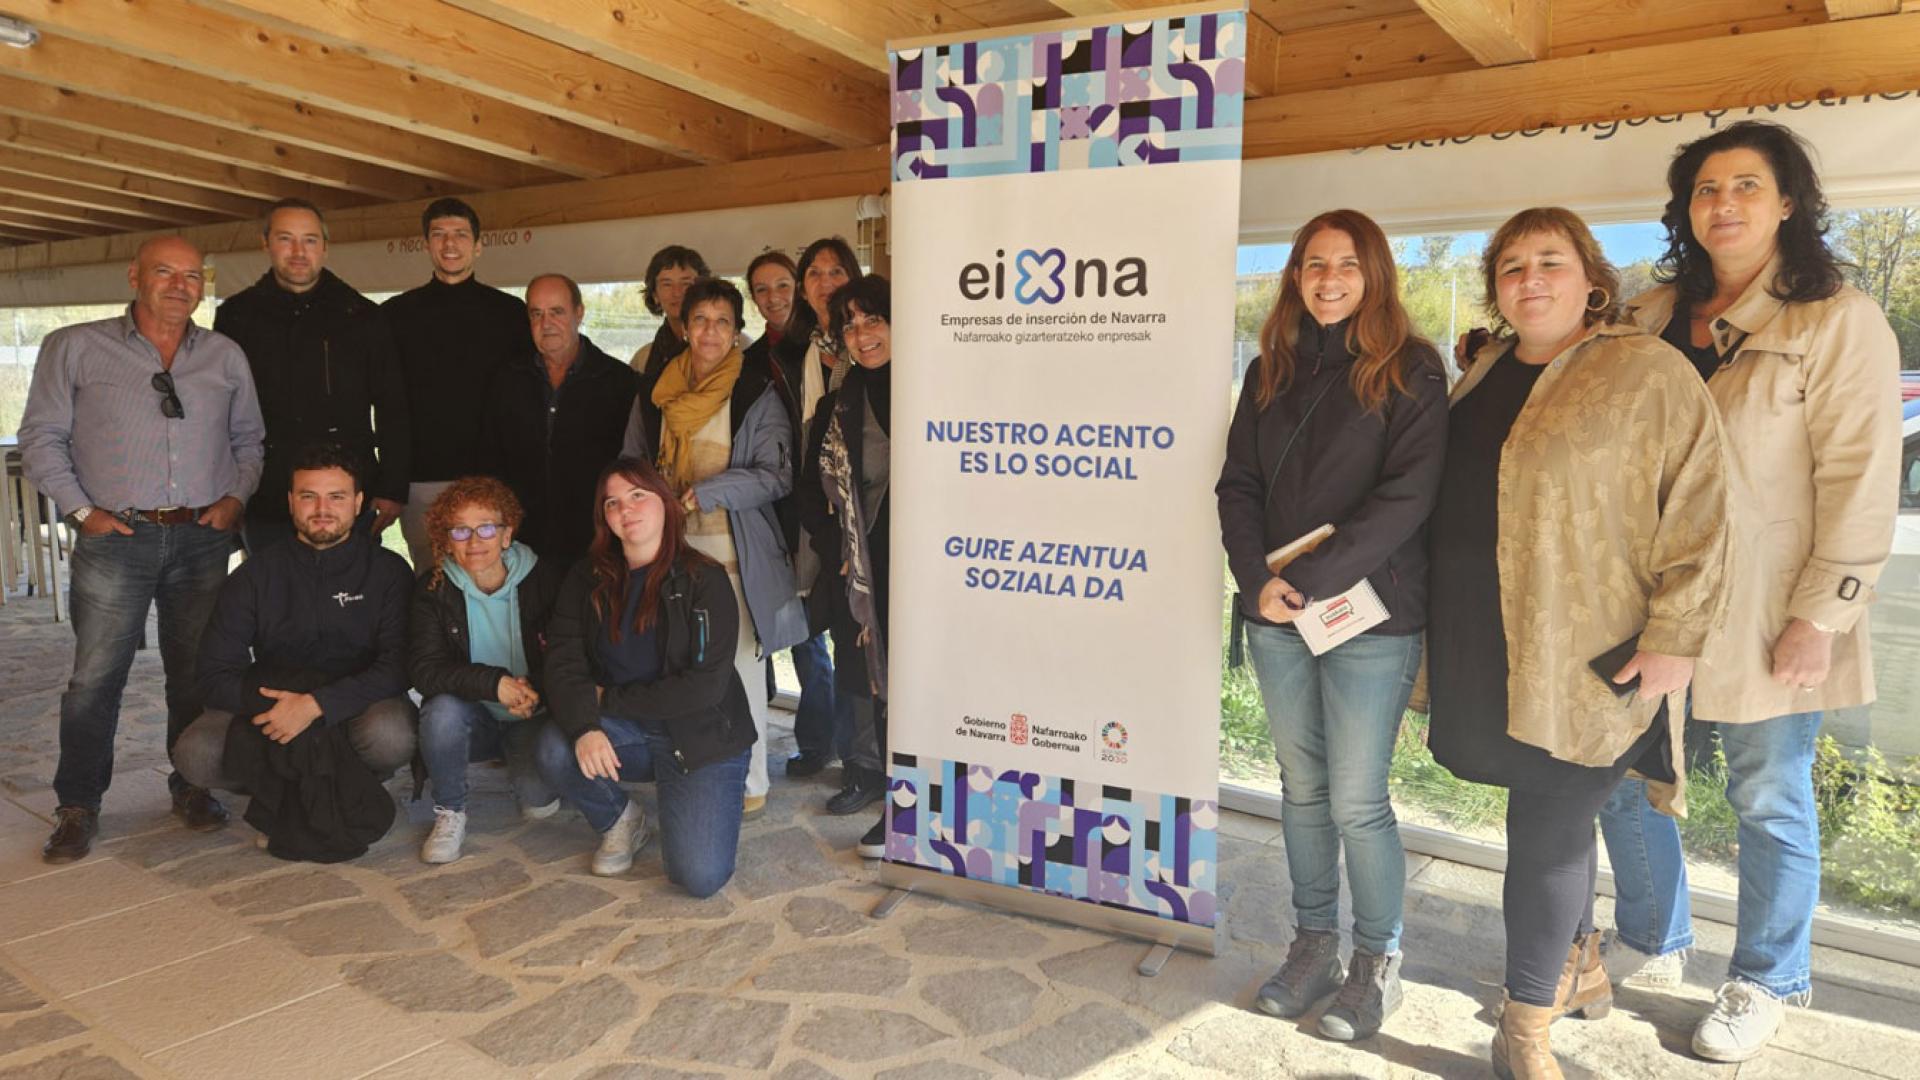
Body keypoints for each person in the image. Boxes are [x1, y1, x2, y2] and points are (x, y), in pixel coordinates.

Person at [1597, 121, 1903, 1064]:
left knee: (1769, 794)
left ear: (1788, 203)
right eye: (1704, 189)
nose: (1721, 203)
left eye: (1744, 186)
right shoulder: (1647, 315)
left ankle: (1768, 977)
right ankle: (1653, 940)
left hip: (1772, 608)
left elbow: (1861, 479)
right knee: (1621, 775)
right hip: (1646, 602)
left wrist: (1824, 616)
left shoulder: (1837, 318)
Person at [1425, 208, 1731, 1080]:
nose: (1530, 279)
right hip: (1480, 636)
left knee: (1550, 827)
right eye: (1512, 266)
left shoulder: (1648, 370)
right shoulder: (1480, 371)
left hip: (1589, 646)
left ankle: (1524, 1028)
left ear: (1592, 278)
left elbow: (1704, 508)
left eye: (1549, 262)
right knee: (1536, 805)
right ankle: (1581, 955)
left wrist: (1678, 634)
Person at [1215, 210, 1448, 1041]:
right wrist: (1257, 582)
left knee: (1355, 799)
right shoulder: (1268, 371)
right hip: (1280, 611)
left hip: (1370, 618)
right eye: (1313, 264)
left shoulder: (1413, 370)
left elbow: (1408, 498)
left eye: (1347, 264)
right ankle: (1314, 944)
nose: (1328, 279)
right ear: (1294, 277)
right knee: (1302, 790)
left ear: (1375, 274)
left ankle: (1376, 961)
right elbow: (1236, 485)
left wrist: (1304, 580)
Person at [19, 236, 265, 862]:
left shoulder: (225, 355)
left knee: (194, 674)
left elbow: (250, 441)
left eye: (192, 274)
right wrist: (82, 512)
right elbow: (42, 437)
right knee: (95, 679)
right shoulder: (75, 346)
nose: (181, 285)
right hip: (116, 538)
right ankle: (78, 805)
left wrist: (235, 501)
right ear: (134, 276)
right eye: (165, 272)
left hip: (202, 538)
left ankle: (192, 784)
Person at [623, 277, 807, 817]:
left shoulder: (756, 390)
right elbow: (630, 461)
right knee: (675, 662)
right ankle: (689, 763)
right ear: (683, 326)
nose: (709, 331)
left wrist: (704, 492)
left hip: (733, 556)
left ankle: (750, 783)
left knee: (740, 669)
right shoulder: (655, 391)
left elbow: (776, 476)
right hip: (666, 554)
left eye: (722, 322)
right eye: (700, 319)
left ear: (736, 332)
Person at [534, 457, 756, 894]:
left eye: (638, 495)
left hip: (702, 739)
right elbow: (563, 660)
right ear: (604, 517)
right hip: (629, 734)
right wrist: (585, 726)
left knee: (698, 878)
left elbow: (704, 686)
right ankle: (621, 820)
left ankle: (702, 794)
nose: (626, 509)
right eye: (612, 502)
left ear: (666, 504)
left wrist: (604, 703)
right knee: (554, 747)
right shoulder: (586, 578)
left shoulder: (703, 578)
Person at [174, 442, 417, 840]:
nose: (322, 509)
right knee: (196, 752)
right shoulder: (255, 575)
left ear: (358, 503)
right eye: (309, 496)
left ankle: (347, 783)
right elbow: (213, 674)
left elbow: (399, 666)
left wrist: (317, 706)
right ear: (291, 502)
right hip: (273, 701)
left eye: (336, 497)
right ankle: (285, 786)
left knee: (391, 734)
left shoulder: (389, 572)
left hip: (357, 703)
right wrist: (285, 709)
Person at [213, 198, 409, 552]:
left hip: (348, 491)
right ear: (266, 243)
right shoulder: (237, 317)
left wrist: (393, 488)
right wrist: (231, 492)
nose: (298, 251)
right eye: (286, 239)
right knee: (271, 598)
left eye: (310, 240)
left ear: (325, 248)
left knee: (348, 598)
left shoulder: (362, 315)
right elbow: (220, 410)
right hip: (265, 491)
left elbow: (392, 405)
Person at [409, 476, 564, 863]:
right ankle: (450, 810)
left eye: (487, 528)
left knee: (538, 805)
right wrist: (494, 684)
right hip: (472, 715)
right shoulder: (432, 588)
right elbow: (424, 670)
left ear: (506, 534)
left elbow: (569, 652)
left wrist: (536, 690)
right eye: (460, 530)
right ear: (446, 538)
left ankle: (518, 759)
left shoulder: (545, 578)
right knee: (440, 710)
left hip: (530, 712)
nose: (475, 541)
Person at [746, 250, 852, 778]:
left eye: (783, 284)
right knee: (801, 624)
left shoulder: (826, 348)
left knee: (826, 624)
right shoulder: (752, 357)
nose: (774, 297)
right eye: (761, 289)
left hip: (822, 498)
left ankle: (826, 743)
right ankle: (817, 741)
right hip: (778, 504)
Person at [799, 274, 894, 858]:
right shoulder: (839, 403)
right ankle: (900, 808)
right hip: (866, 570)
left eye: (873, 320)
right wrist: (841, 544)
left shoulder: (942, 386)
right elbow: (810, 488)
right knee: (881, 689)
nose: (862, 335)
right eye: (850, 326)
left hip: (936, 566)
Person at [383, 198, 530, 568]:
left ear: (478, 246)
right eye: (439, 235)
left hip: (493, 478)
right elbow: (386, 405)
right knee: (430, 582)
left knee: (490, 580)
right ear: (427, 244)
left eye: (461, 235)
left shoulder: (511, 315)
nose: (450, 244)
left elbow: (524, 401)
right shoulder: (395, 316)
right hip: (420, 480)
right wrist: (392, 484)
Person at [481, 273, 639, 565]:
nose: (546, 324)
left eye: (557, 312)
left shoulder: (621, 382)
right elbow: (491, 460)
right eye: (536, 314)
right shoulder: (506, 380)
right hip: (522, 548)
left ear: (579, 313)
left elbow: (631, 467)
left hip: (597, 546)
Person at [627, 245, 710, 460]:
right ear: (654, 294)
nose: (677, 293)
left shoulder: (734, 347)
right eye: (666, 284)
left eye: (686, 283)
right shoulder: (643, 359)